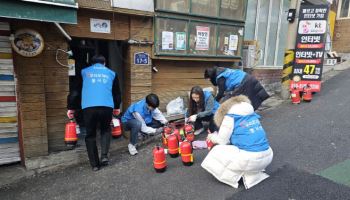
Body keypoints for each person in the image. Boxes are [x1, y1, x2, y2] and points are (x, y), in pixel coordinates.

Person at [201, 95, 273, 189]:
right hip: (268, 155)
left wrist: (212, 137)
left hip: (252, 159)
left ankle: (236, 177)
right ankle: (251, 172)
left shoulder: (230, 117)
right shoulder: (251, 115)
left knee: (216, 150)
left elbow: (222, 141)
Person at [67, 55, 121, 171]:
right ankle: (104, 156)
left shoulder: (83, 72)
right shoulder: (111, 73)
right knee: (105, 130)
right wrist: (116, 107)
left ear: (91, 64)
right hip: (107, 106)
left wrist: (71, 108)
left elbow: (75, 91)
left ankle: (95, 165)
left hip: (89, 107)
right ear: (104, 63)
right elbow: (116, 93)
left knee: (90, 135)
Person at [204, 66, 269, 110]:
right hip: (248, 77)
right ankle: (248, 111)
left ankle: (241, 114)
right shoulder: (221, 70)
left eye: (209, 79)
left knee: (235, 99)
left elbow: (221, 93)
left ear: (211, 76)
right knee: (251, 96)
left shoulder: (220, 78)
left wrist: (215, 101)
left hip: (243, 82)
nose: (209, 80)